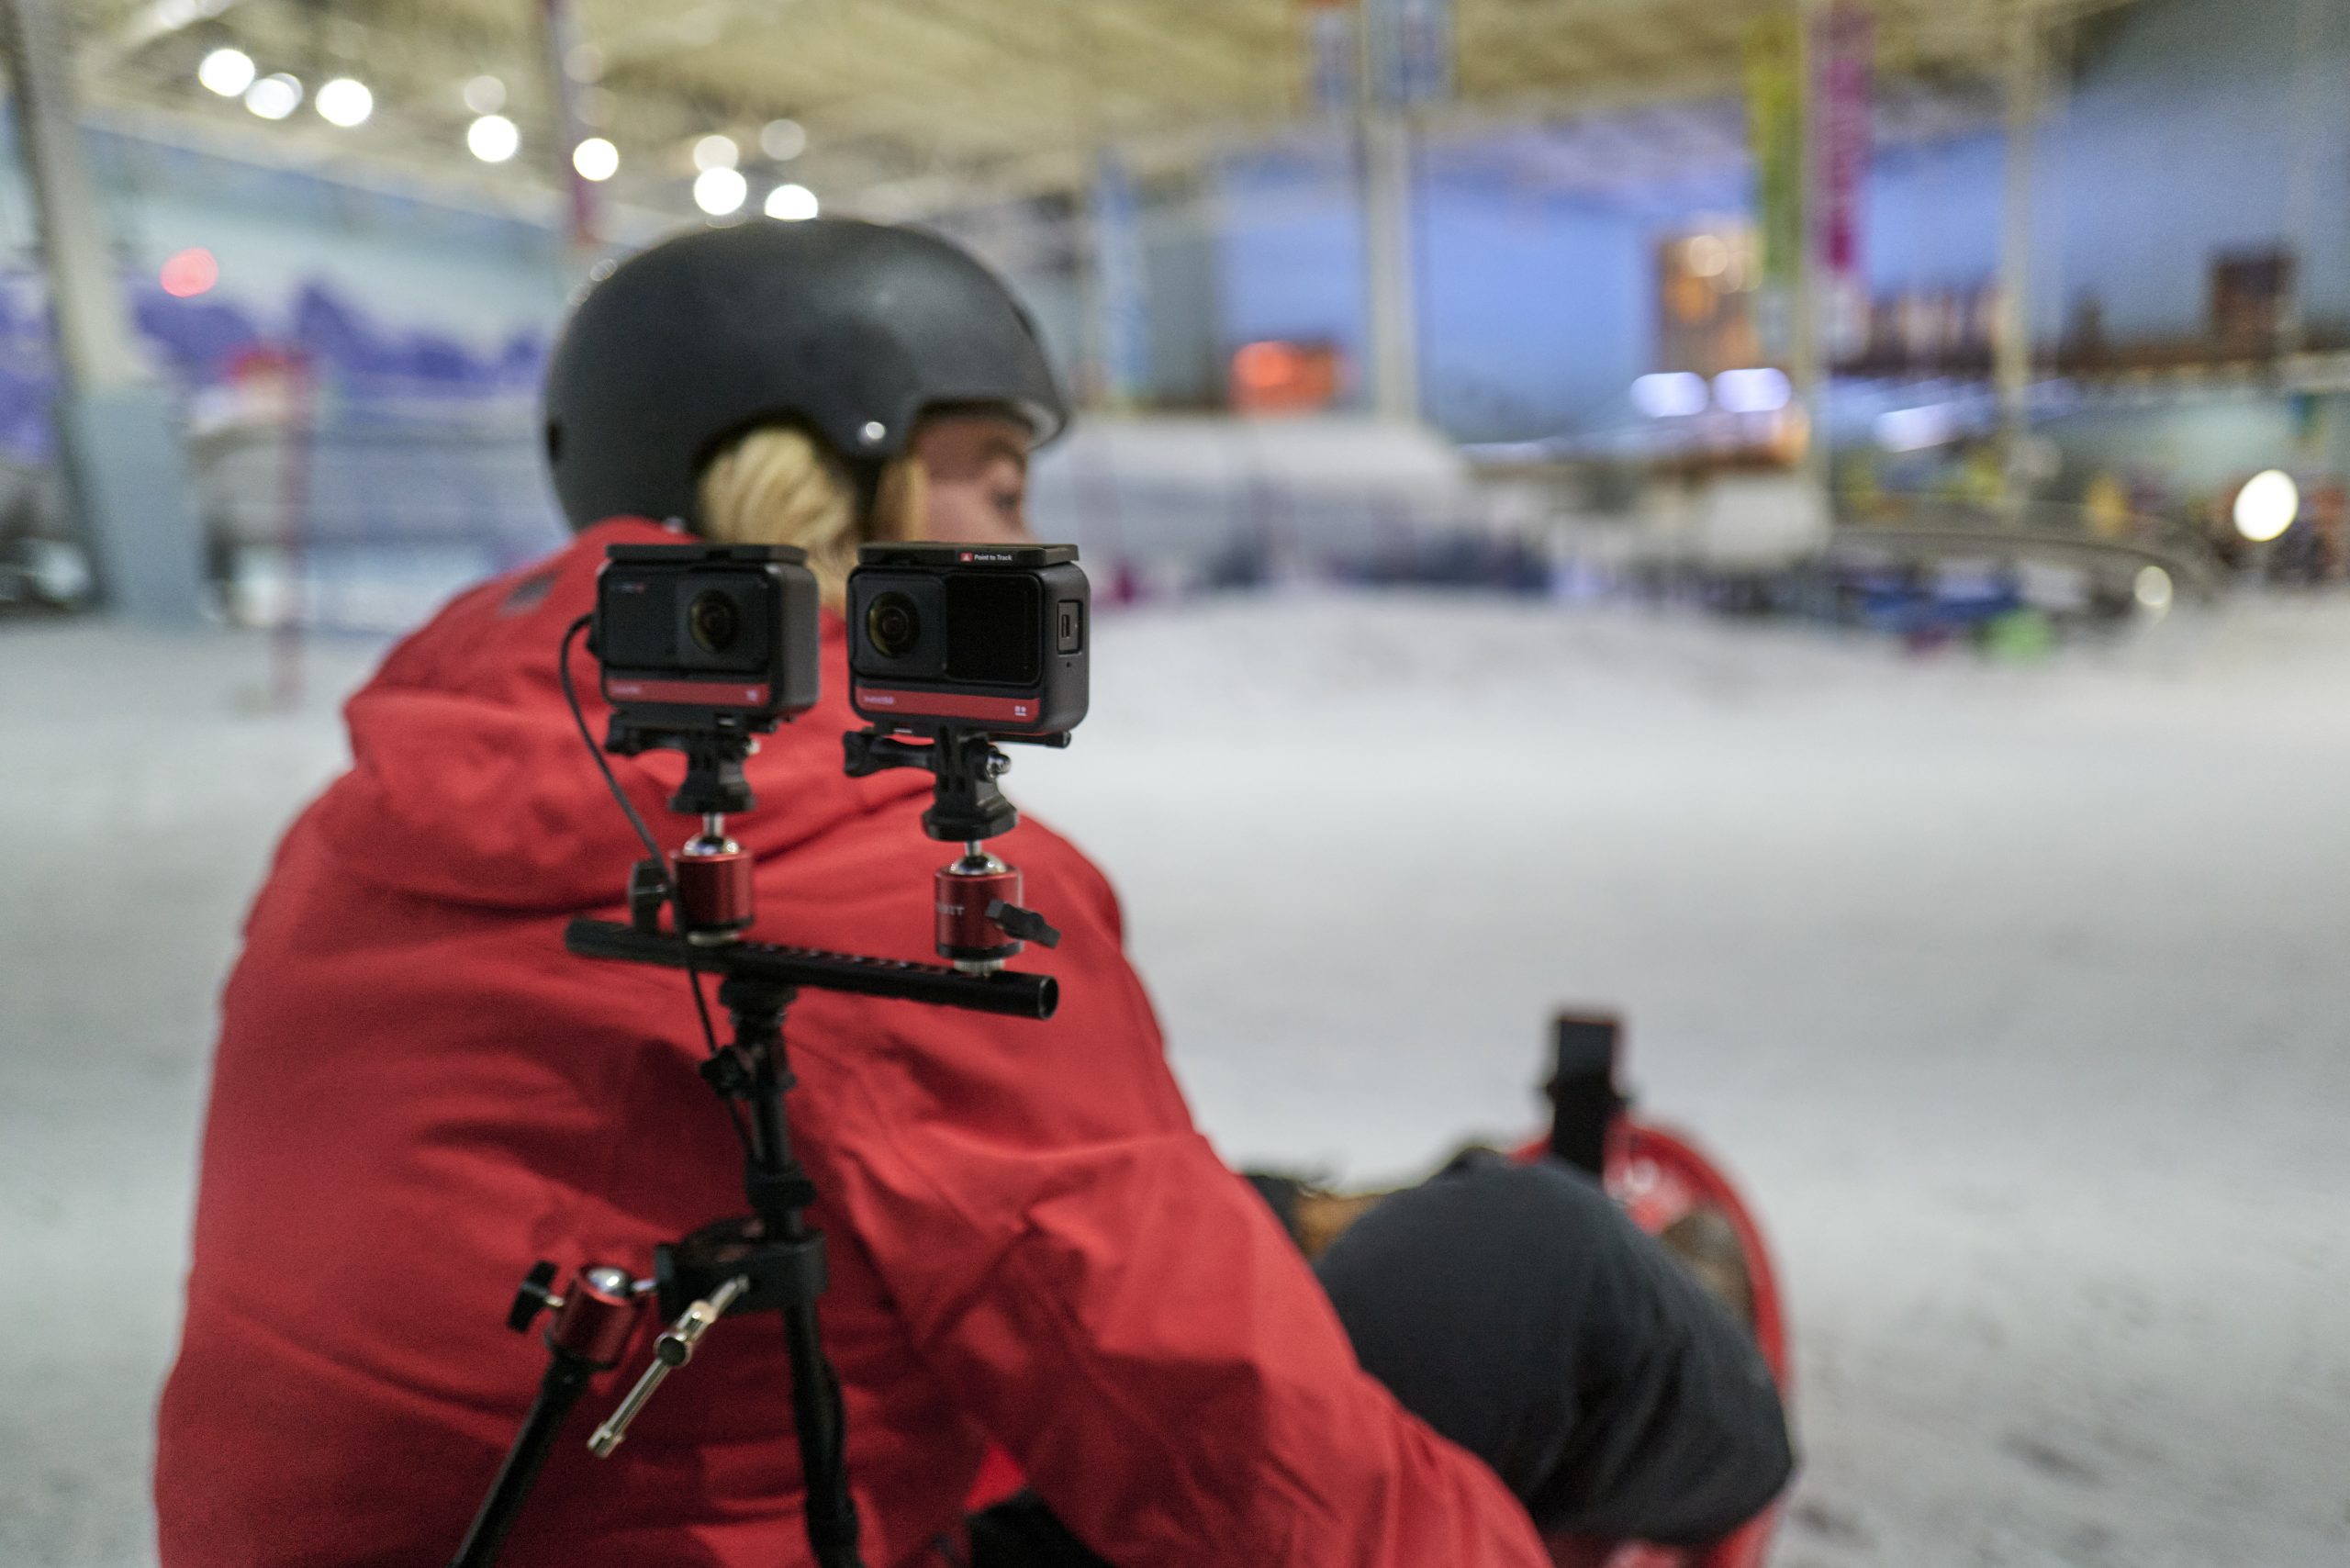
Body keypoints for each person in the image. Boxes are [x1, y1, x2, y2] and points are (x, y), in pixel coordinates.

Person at [155, 219, 1789, 1568]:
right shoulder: (872, 879)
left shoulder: (363, 822)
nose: (1026, 552)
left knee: (1253, 1228)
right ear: (805, 495)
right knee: (1541, 1265)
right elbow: (1248, 1469)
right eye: (996, 489)